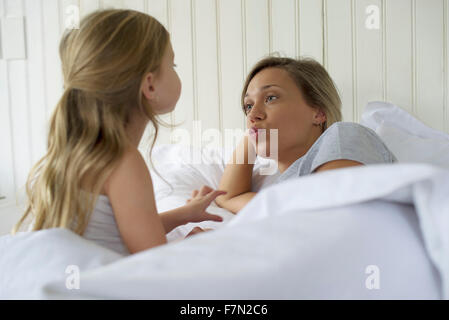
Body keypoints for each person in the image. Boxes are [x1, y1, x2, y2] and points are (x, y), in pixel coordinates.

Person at [11, 9, 225, 255]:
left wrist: (184, 215)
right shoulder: (123, 161)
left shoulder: (81, 152)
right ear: (150, 85)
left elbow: (121, 231)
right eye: (173, 64)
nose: (176, 70)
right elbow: (151, 262)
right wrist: (191, 245)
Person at [213, 56, 397, 214]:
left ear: (318, 112)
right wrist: (255, 129)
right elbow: (228, 197)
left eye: (271, 98)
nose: (252, 115)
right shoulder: (281, 190)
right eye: (248, 106)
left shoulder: (343, 135)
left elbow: (333, 216)